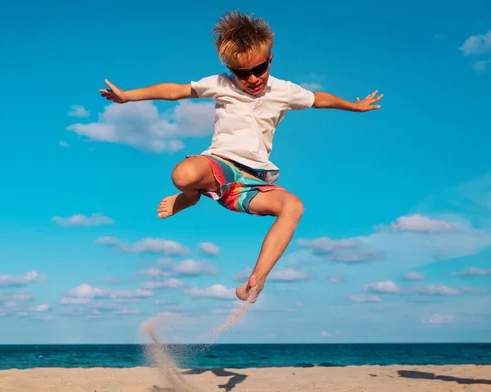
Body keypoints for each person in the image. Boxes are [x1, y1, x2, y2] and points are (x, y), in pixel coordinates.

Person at [99, 10, 383, 304]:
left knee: (293, 206)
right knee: (181, 175)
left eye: (258, 69)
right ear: (230, 70)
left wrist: (354, 106)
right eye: (242, 73)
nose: (252, 78)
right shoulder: (220, 84)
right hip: (218, 165)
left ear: (270, 59)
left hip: (251, 181)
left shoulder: (285, 91)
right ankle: (191, 196)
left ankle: (255, 281)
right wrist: (127, 96)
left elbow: (319, 99)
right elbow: (175, 91)